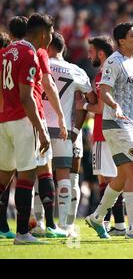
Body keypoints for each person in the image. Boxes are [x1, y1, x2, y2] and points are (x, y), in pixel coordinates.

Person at [85, 22, 133, 239]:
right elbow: (105, 91)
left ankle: (97, 217)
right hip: (114, 124)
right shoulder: (113, 62)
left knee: (122, 176)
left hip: (131, 125)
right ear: (122, 41)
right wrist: (114, 105)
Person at [1, 15, 67, 240]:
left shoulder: (6, 52)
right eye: (50, 33)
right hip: (23, 120)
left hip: (4, 121)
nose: (51, 37)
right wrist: (40, 128)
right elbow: (27, 97)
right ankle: (22, 233)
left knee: (3, 178)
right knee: (27, 175)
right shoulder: (30, 55)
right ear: (42, 33)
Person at [36, 32, 96, 236]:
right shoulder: (76, 70)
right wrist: (77, 127)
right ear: (63, 49)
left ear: (49, 47)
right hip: (64, 130)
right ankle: (63, 225)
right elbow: (91, 98)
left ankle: (39, 223)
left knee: (39, 176)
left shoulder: (39, 63)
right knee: (65, 176)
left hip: (39, 127)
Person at [77, 35, 126, 236]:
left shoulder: (102, 76)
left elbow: (101, 108)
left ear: (100, 53)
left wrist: (85, 105)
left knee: (105, 181)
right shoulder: (119, 71)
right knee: (115, 179)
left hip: (102, 133)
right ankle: (120, 224)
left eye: (91, 52)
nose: (89, 56)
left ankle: (104, 222)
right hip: (118, 131)